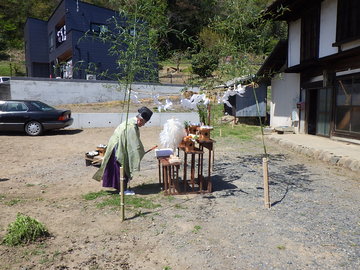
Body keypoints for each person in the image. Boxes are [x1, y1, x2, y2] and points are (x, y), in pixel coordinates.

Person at [93, 106, 153, 195]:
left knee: (118, 167)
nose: (143, 125)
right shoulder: (131, 127)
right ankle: (122, 190)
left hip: (116, 144)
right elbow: (134, 145)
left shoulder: (131, 122)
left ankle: (121, 188)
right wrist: (139, 152)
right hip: (117, 147)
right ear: (140, 120)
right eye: (144, 123)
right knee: (121, 167)